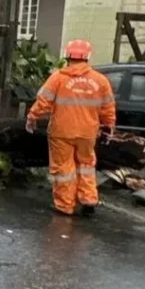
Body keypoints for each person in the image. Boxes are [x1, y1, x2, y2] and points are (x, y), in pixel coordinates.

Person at [25, 39, 116, 217]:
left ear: (67, 55)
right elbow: (108, 107)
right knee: (86, 165)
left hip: (62, 132)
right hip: (88, 132)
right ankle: (89, 200)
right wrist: (108, 126)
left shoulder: (58, 78)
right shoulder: (101, 81)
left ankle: (65, 205)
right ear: (87, 57)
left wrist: (32, 117)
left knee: (64, 169)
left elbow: (43, 101)